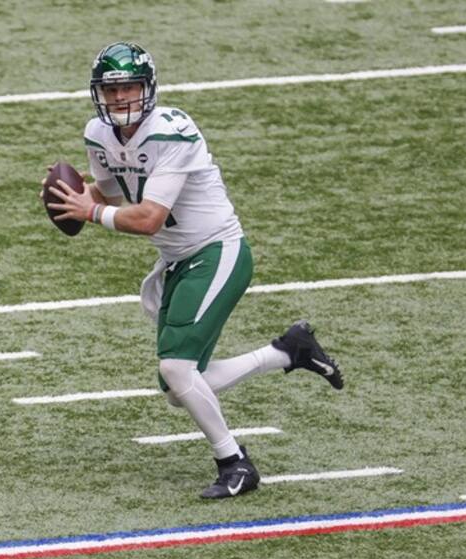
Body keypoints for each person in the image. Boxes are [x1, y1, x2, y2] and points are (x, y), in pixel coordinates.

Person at [46, 42, 344, 499]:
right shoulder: (98, 136)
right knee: (175, 385)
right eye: (112, 90)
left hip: (216, 250)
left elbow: (148, 219)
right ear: (98, 95)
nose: (121, 98)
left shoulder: (173, 131)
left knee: (178, 369)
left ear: (147, 90)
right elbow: (111, 199)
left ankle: (235, 463)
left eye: (129, 87)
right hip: (178, 260)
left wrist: (88, 213)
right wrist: (75, 198)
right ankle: (290, 351)